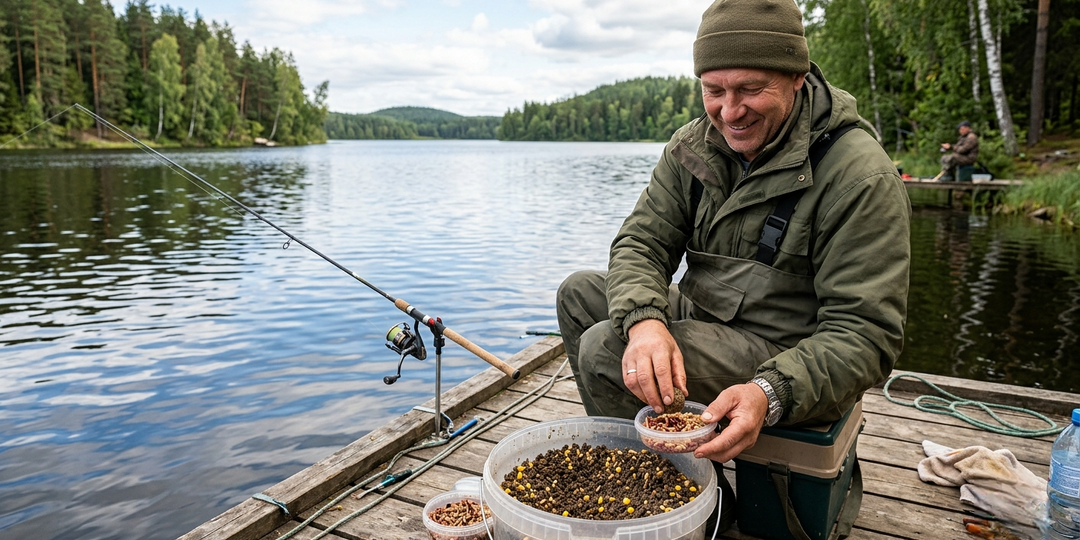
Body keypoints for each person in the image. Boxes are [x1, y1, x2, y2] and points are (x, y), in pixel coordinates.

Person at [555, 0, 910, 530]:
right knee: (581, 294)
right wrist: (647, 322)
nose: (729, 111)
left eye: (749, 89)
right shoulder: (693, 146)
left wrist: (770, 392)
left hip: (791, 354)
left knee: (606, 348)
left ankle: (699, 515)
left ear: (795, 77)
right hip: (713, 318)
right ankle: (653, 474)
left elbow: (867, 336)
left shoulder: (858, 175)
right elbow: (639, 243)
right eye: (714, 90)